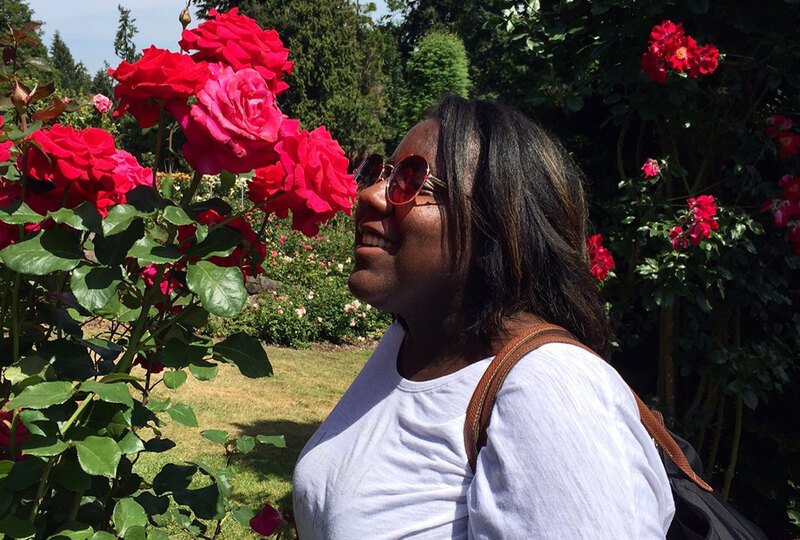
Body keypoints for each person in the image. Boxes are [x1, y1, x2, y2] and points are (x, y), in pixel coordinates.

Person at [292, 96, 675, 539]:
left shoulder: (551, 389)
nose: (370, 195)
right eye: (381, 173)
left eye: (410, 180)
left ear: (495, 224)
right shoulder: (410, 346)